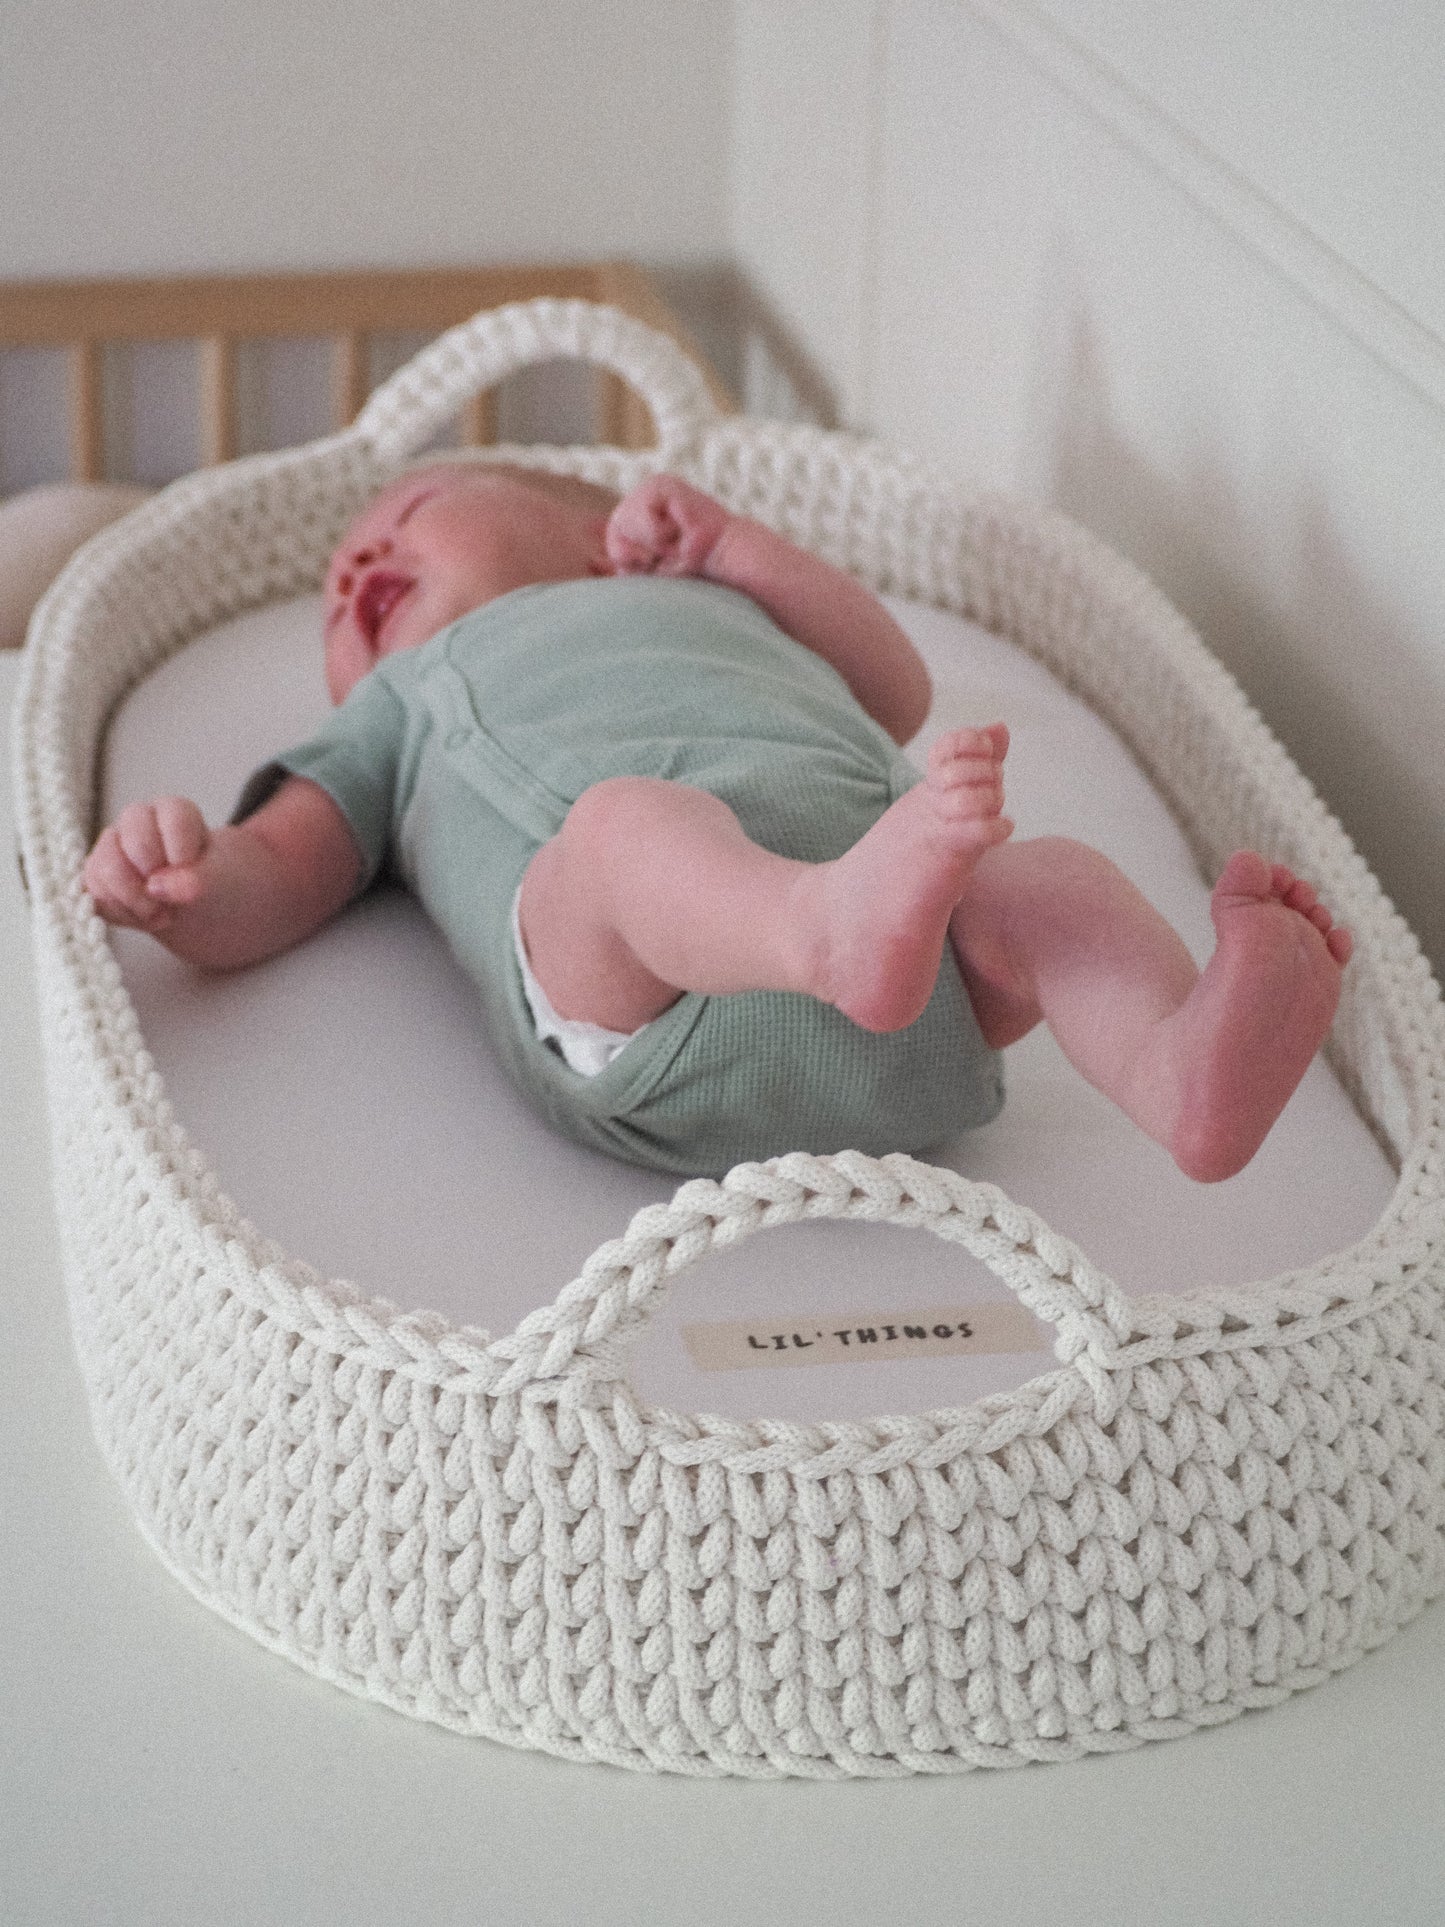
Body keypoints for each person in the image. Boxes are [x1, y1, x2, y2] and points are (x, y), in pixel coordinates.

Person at [82, 462, 1352, 1181]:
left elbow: (894, 691)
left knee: (1047, 885)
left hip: (926, 991)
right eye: (333, 604)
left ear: (601, 537)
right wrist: (191, 887)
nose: (354, 575)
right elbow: (282, 869)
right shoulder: (401, 705)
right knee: (625, 827)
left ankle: (1175, 1070)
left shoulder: (719, 602)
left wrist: (740, 553)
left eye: (402, 517)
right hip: (642, 1017)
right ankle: (819, 929)